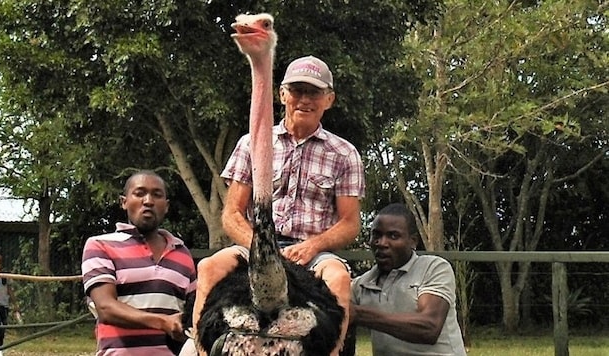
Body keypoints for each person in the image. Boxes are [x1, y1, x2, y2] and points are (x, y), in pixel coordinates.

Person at [192, 55, 365, 355]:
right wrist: (262, 249)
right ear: (282, 94)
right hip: (255, 247)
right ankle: (201, 349)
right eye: (297, 91)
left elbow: (350, 223)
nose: (304, 100)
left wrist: (312, 246)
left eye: (313, 93)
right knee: (208, 268)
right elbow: (232, 214)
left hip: (311, 252)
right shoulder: (252, 143)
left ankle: (332, 352)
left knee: (339, 278)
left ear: (329, 99)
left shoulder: (344, 154)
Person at [81, 170, 197, 356]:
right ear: (124, 202)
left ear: (166, 206)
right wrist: (163, 322)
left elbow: (194, 312)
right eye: (139, 193)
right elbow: (106, 308)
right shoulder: (100, 245)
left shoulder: (182, 254)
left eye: (157, 195)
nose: (148, 201)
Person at [349, 203, 467, 356]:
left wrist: (358, 314)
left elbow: (429, 327)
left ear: (413, 241)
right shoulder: (361, 285)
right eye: (376, 235)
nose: (382, 243)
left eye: (393, 236)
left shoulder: (433, 268)